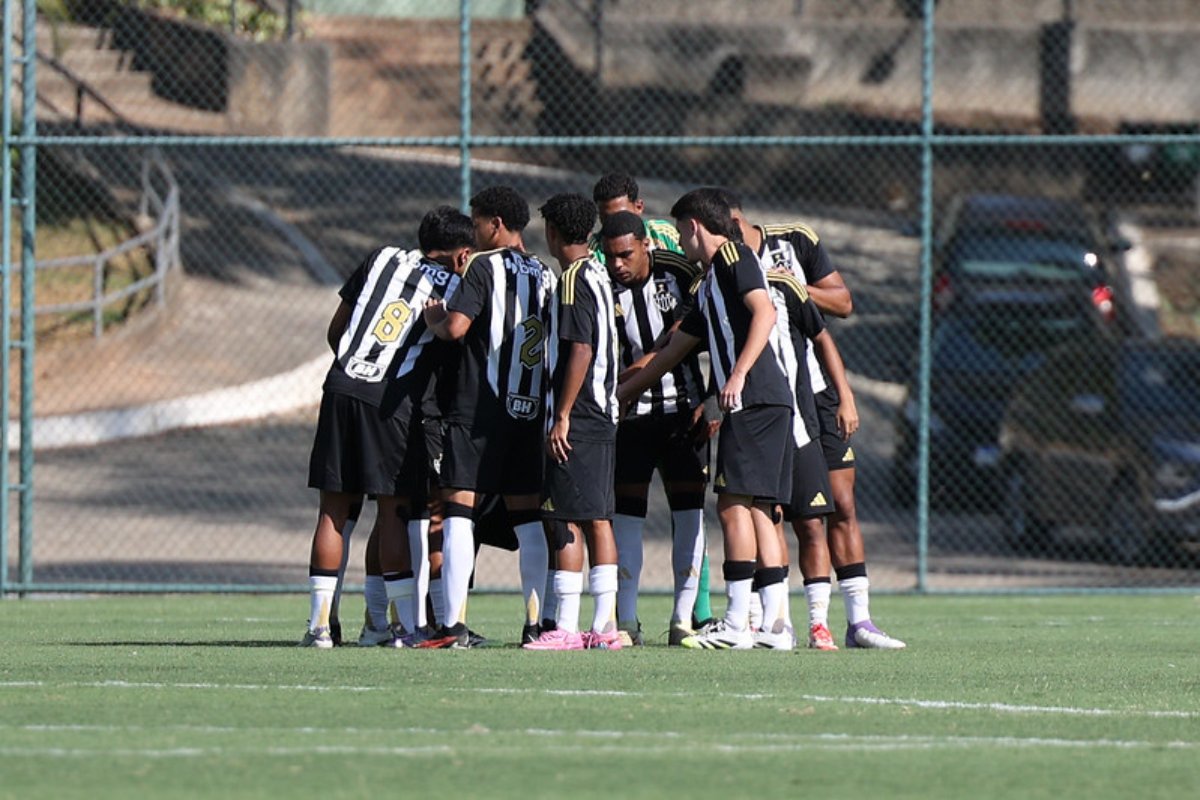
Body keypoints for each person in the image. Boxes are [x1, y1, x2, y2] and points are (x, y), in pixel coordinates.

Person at [726, 193, 906, 650]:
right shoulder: (723, 268)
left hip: (818, 397)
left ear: (734, 221)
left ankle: (859, 621)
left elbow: (842, 304)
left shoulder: (795, 241)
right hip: (769, 401)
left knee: (841, 504)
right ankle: (775, 619)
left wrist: (793, 287)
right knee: (779, 512)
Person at [617, 187, 794, 650]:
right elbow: (671, 352)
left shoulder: (734, 256)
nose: (680, 241)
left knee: (733, 506)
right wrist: (623, 395)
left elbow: (765, 312)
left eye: (681, 232)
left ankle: (737, 621)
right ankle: (775, 626)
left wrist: (735, 375)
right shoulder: (709, 280)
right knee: (758, 510)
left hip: (754, 396)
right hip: (762, 399)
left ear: (694, 227)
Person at [301, 205, 473, 648]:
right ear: (461, 254)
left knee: (334, 512)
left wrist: (356, 368)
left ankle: (320, 626)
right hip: (390, 401)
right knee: (393, 510)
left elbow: (336, 329)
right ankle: (401, 626)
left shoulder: (381, 258)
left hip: (340, 385)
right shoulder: (456, 287)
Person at [420, 185, 556, 648]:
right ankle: (536, 624)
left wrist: (433, 319)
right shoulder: (545, 273)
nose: (473, 230)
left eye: (476, 221)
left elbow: (456, 329)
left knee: (460, 511)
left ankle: (452, 624)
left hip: (478, 408)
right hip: (528, 412)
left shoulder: (483, 265)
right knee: (527, 518)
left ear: (495, 223)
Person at [591, 171, 717, 630]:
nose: (618, 265)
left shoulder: (680, 272)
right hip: (630, 418)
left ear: (646, 245)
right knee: (627, 516)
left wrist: (711, 398)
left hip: (684, 413)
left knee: (689, 513)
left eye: (625, 255)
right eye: (611, 256)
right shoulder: (600, 285)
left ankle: (686, 619)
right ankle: (625, 621)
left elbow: (709, 339)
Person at [524, 193, 624, 651]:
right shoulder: (600, 272)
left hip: (580, 412)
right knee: (599, 518)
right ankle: (604, 628)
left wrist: (561, 414)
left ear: (553, 233)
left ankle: (565, 626)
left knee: (564, 518)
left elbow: (580, 348)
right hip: (603, 410)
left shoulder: (572, 279)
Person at [588, 172, 684, 260]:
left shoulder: (662, 234)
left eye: (622, 216)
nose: (615, 224)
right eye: (607, 219)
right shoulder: (593, 252)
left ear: (639, 207)